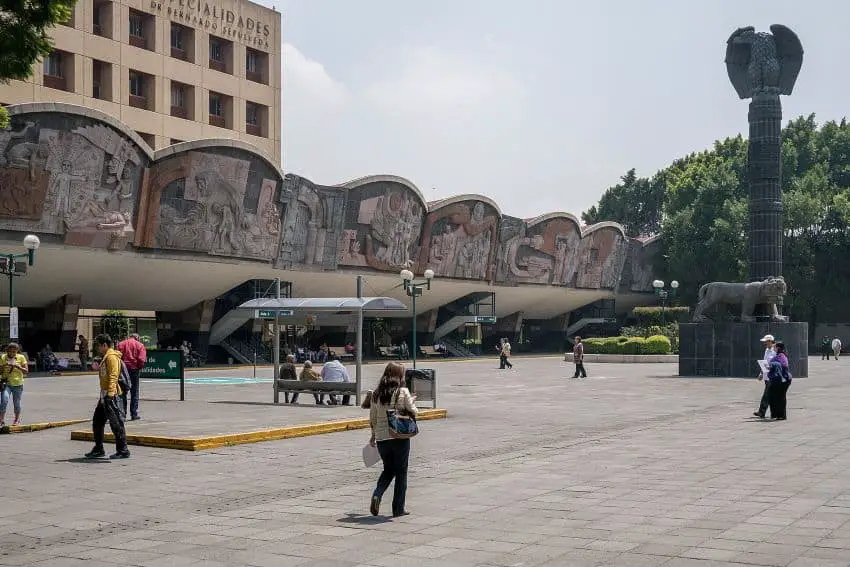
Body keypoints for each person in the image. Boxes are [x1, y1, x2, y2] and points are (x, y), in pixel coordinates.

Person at [369, 362, 418, 518]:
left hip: (383, 438)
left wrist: (373, 435)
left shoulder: (376, 393)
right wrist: (413, 401)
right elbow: (414, 411)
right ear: (398, 376)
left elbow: (373, 418)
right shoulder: (402, 391)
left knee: (388, 469)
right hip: (399, 436)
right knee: (401, 472)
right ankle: (398, 509)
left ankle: (377, 493)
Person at [85, 334, 129, 459]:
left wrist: (110, 395)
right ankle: (99, 448)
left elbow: (114, 376)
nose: (98, 348)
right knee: (97, 421)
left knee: (116, 423)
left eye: (99, 345)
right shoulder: (106, 357)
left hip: (111, 395)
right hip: (105, 395)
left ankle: (123, 450)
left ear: (104, 345)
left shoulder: (111, 358)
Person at [117, 333, 147, 420]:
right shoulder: (140, 345)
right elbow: (141, 359)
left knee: (122, 392)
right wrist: (139, 367)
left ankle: (122, 414)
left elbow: (117, 357)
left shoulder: (121, 344)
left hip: (123, 370)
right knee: (134, 392)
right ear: (137, 338)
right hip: (134, 370)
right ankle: (134, 414)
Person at [0, 343, 28, 426]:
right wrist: (4, 366)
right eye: (10, 351)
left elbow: (26, 371)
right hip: (6, 383)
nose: (12, 353)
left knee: (17, 403)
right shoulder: (3, 357)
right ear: (7, 350)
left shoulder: (21, 357)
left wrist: (18, 366)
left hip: (18, 384)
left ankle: (16, 420)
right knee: (4, 400)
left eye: (14, 351)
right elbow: (0, 371)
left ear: (17, 351)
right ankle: (1, 420)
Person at [767, 341, 791, 420]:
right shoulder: (778, 355)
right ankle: (775, 414)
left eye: (775, 347)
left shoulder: (781, 356)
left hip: (783, 379)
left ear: (778, 348)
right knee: (773, 396)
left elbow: (783, 365)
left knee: (780, 396)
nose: (774, 348)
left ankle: (781, 415)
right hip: (777, 379)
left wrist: (773, 365)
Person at [753, 334, 776, 418]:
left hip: (772, 376)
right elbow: (764, 362)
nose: (764, 343)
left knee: (766, 395)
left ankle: (761, 412)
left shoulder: (775, 351)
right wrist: (761, 374)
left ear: (770, 341)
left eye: (765, 342)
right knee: (770, 395)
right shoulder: (767, 350)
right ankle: (774, 412)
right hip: (767, 376)